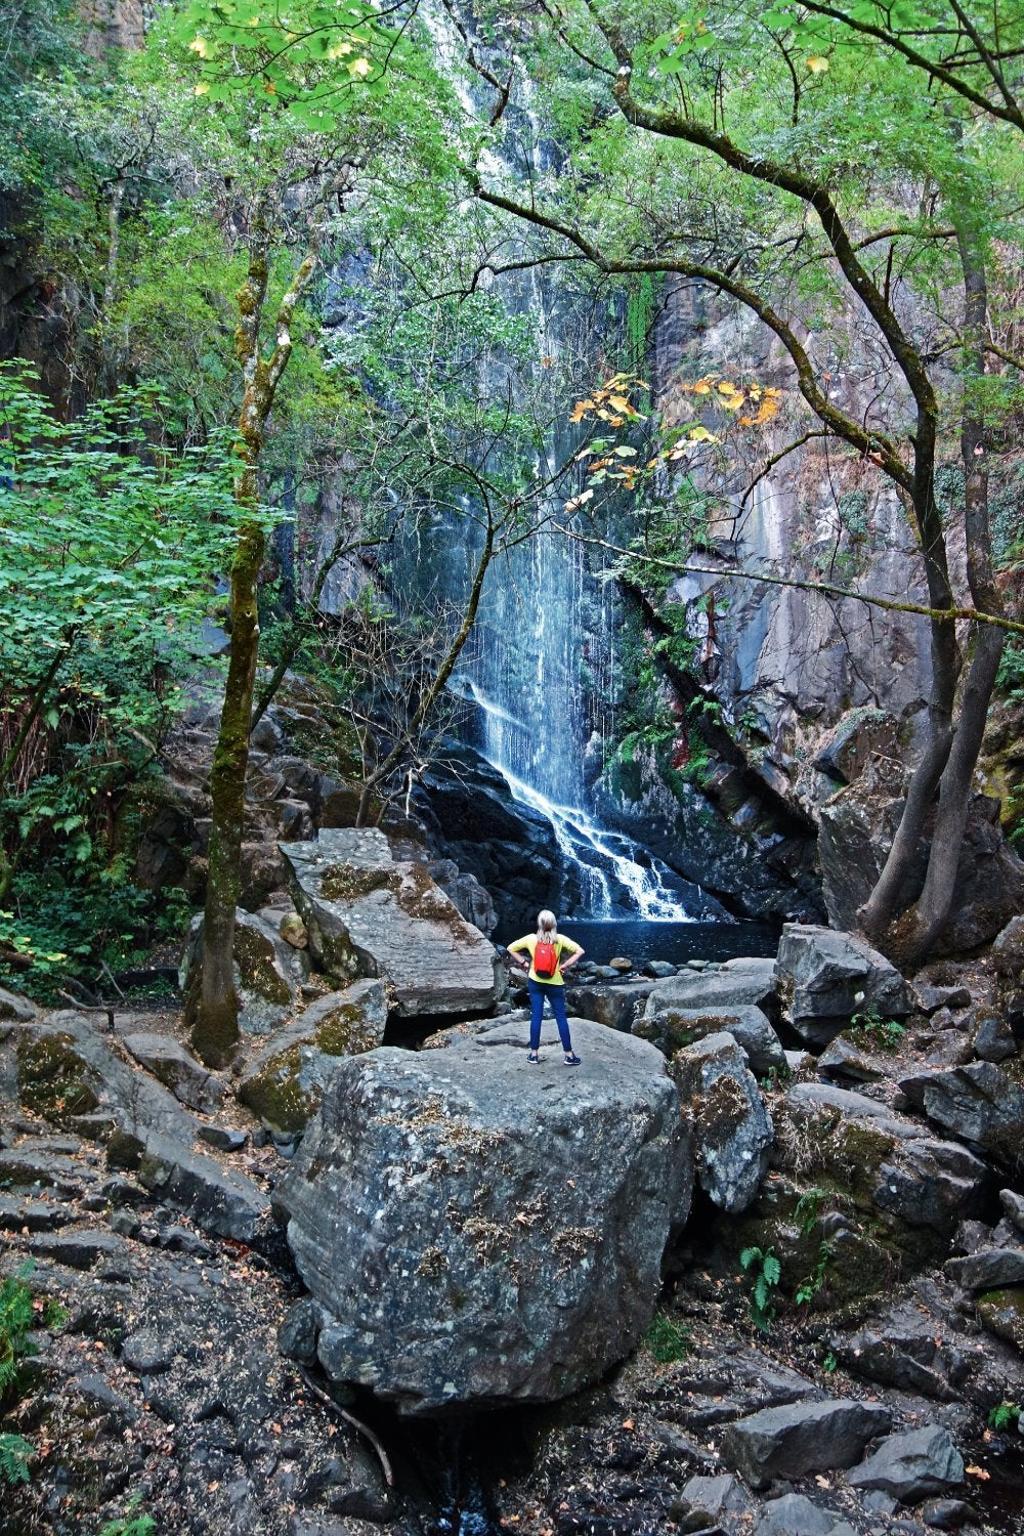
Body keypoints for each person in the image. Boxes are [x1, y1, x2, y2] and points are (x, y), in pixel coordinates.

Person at [507, 910, 585, 1066]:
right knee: (561, 1018)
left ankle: (533, 1054)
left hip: (535, 982)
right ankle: (569, 1055)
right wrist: (565, 965)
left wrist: (524, 963)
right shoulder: (560, 940)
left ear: (539, 924)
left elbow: (510, 948)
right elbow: (580, 951)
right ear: (554, 924)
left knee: (536, 1016)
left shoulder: (531, 939)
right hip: (555, 983)